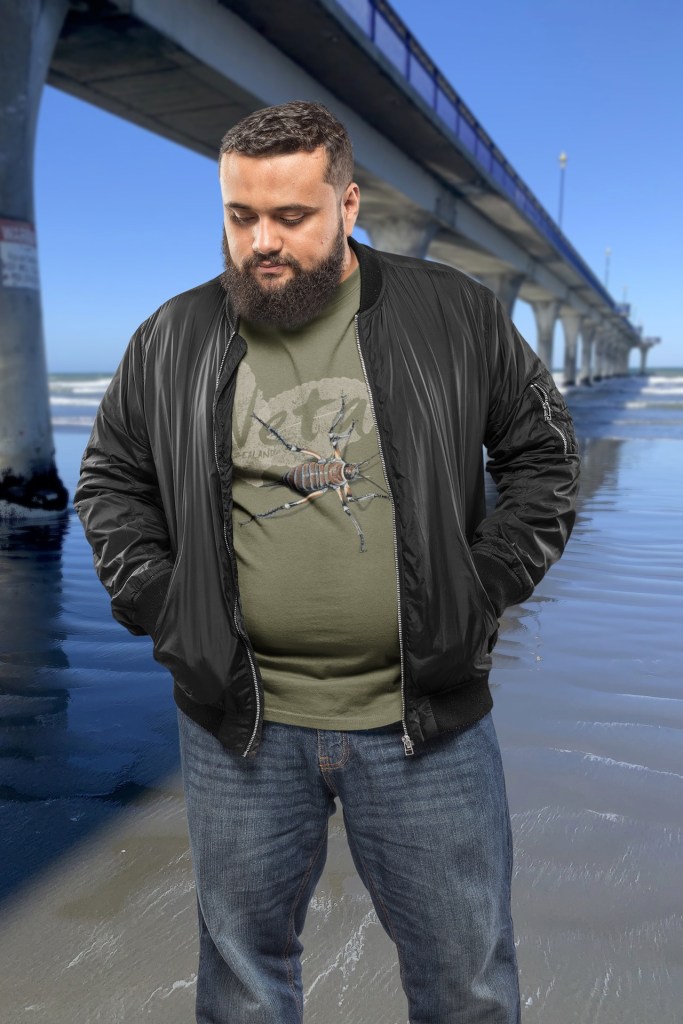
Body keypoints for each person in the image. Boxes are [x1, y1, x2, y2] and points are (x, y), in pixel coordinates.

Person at [75, 100, 580, 1023]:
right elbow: (112, 481)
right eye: (240, 216)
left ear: (349, 205)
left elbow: (543, 459)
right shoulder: (173, 335)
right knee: (242, 992)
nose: (262, 242)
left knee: (466, 986)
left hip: (423, 722)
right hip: (239, 731)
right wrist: (160, 601)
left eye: (291, 217)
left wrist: (485, 584)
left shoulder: (454, 313)